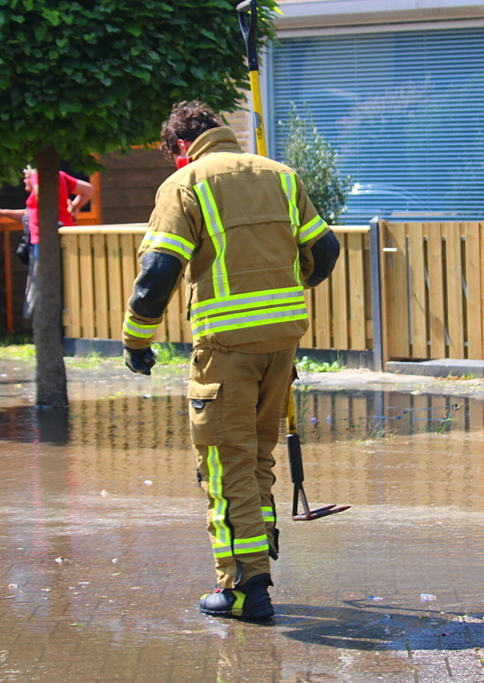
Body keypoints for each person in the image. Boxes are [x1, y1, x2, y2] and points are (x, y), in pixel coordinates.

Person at [121, 101, 341, 621]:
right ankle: (259, 562)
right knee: (258, 458)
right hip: (281, 344)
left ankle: (244, 588)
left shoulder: (185, 184)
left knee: (225, 466)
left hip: (226, 349)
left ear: (179, 146)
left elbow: (157, 274)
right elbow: (325, 251)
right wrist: (281, 292)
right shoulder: (281, 175)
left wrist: (136, 341)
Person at [0, 167, 94, 317]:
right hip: (67, 235)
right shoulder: (60, 175)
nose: (24, 180)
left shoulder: (39, 175)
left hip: (44, 239)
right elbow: (87, 189)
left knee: (44, 281)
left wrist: (35, 180)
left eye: (25, 176)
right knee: (66, 278)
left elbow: (40, 197)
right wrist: (72, 207)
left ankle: (48, 319)